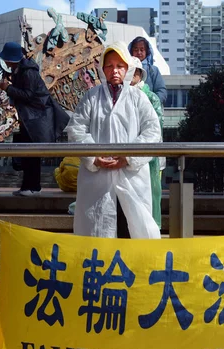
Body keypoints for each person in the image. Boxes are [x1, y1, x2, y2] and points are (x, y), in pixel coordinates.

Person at [65, 42, 162, 239]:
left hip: (131, 176)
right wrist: (94, 156)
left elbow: (153, 131)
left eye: (119, 66)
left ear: (128, 68)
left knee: (132, 228)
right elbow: (76, 129)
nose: (114, 71)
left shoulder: (138, 98)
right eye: (109, 66)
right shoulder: (92, 97)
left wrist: (128, 157)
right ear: (102, 68)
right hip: (98, 177)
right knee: (98, 229)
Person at [0, 41, 69, 196]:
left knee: (32, 153)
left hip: (36, 118)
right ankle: (26, 186)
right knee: (27, 153)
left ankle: (34, 187)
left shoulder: (28, 71)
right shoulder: (20, 70)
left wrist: (8, 88)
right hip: (29, 118)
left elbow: (28, 95)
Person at [130, 56, 163, 229]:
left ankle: (152, 227)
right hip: (125, 156)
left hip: (146, 156)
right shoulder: (120, 95)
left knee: (149, 192)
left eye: (134, 72)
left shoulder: (151, 98)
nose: (131, 75)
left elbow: (156, 130)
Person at [128, 37, 167, 105]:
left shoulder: (153, 70)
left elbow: (161, 91)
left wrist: (153, 104)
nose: (139, 52)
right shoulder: (126, 69)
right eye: (136, 49)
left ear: (147, 51)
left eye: (142, 50)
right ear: (131, 51)